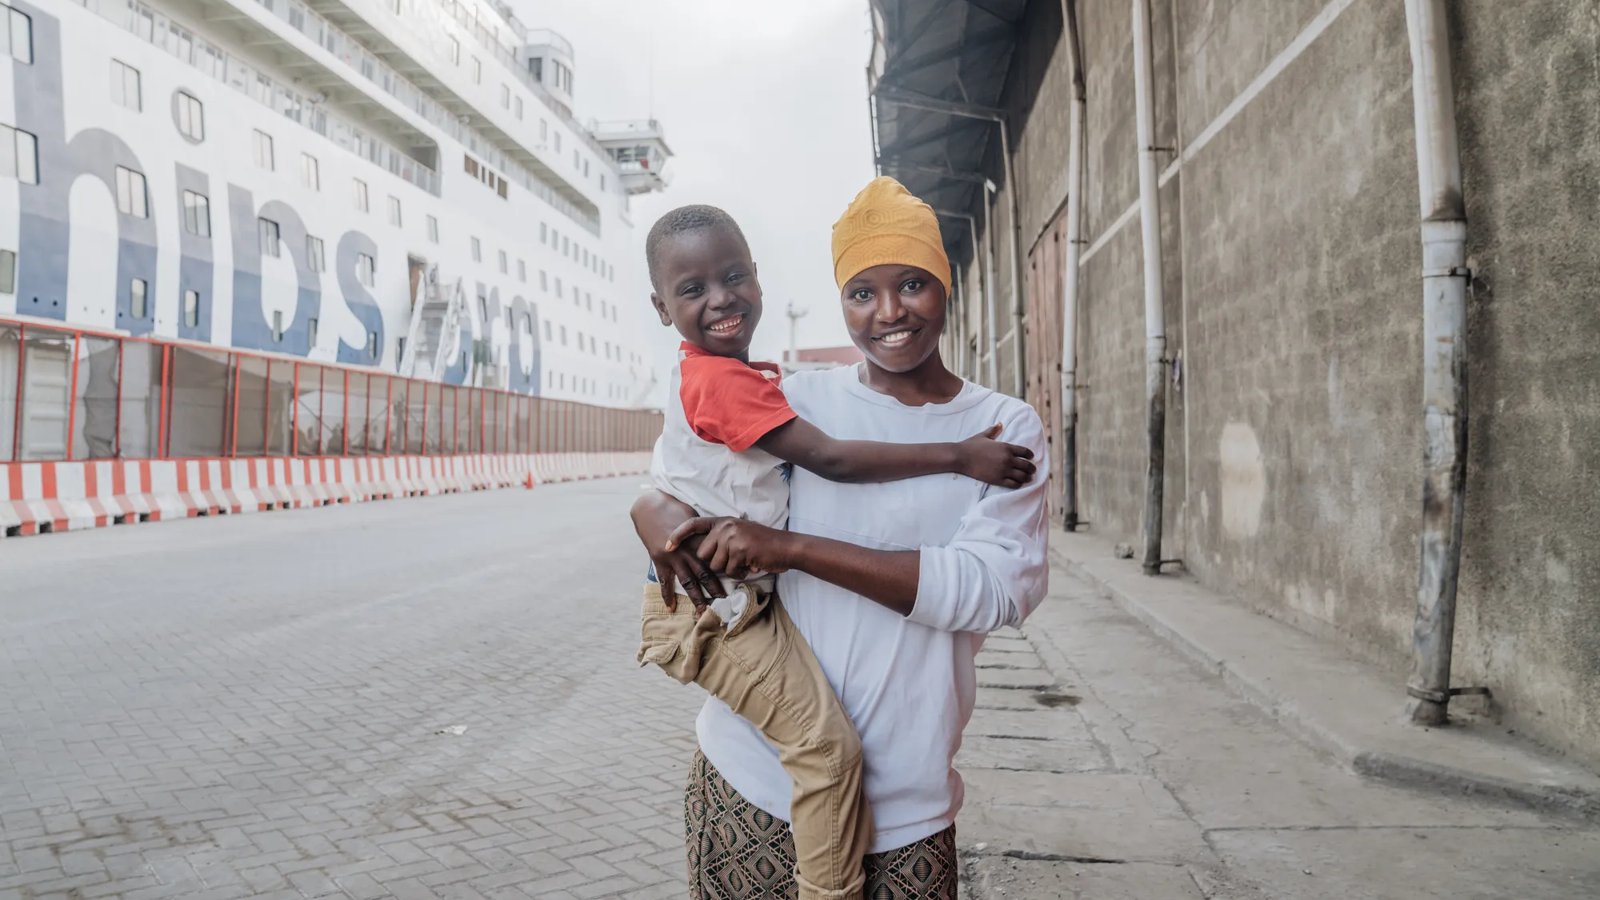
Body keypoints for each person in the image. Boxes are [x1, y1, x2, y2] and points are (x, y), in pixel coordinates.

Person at [632, 177, 1051, 900]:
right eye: (862, 292)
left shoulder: (1005, 428)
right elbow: (690, 471)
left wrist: (788, 549)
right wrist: (647, 508)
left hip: (905, 803)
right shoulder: (803, 397)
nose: (889, 312)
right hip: (753, 778)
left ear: (944, 285)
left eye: (913, 283)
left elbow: (990, 592)